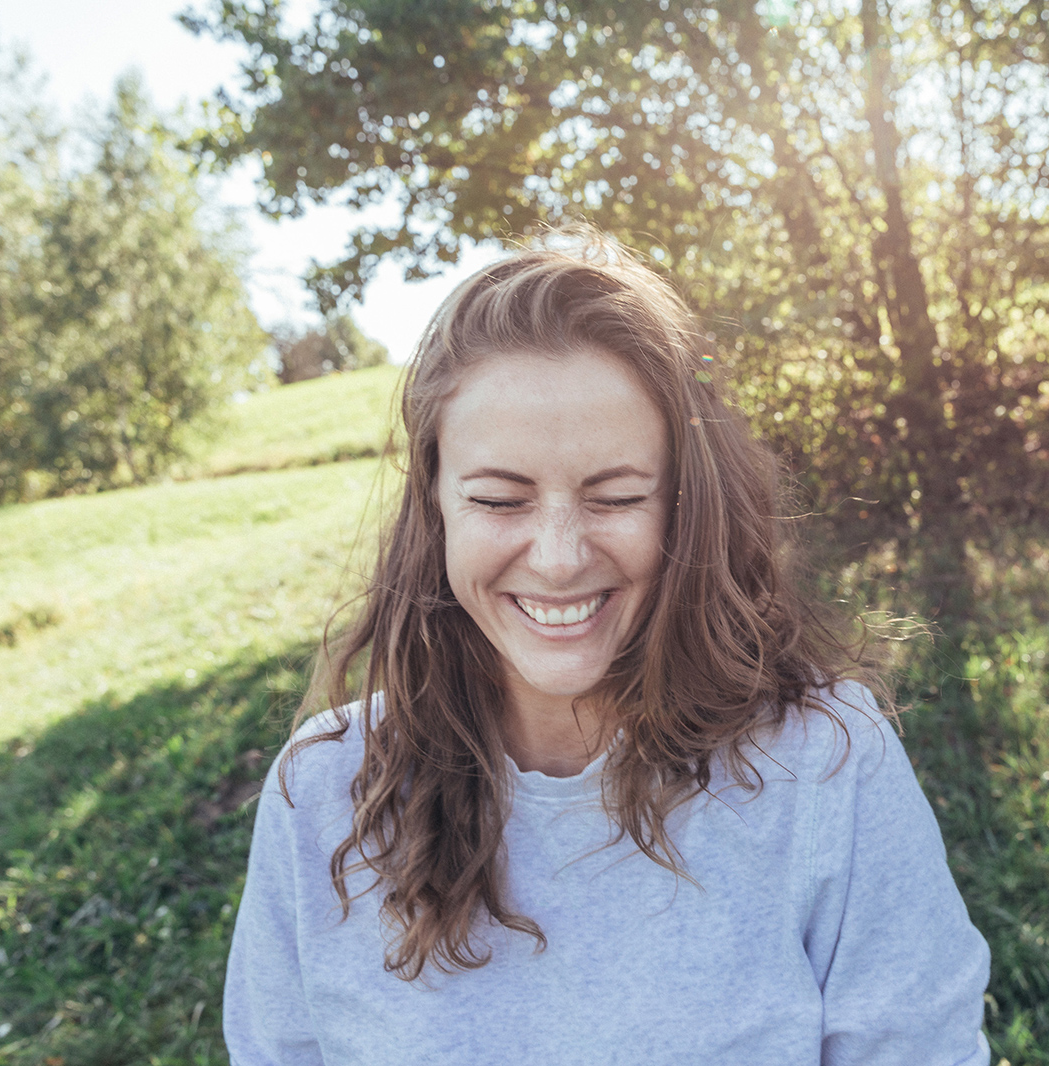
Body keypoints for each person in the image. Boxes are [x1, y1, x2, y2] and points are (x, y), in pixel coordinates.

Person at [222, 230, 991, 1064]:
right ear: (435, 506)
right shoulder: (324, 793)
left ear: (686, 508)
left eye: (616, 496)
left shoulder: (826, 767)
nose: (557, 557)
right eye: (500, 500)